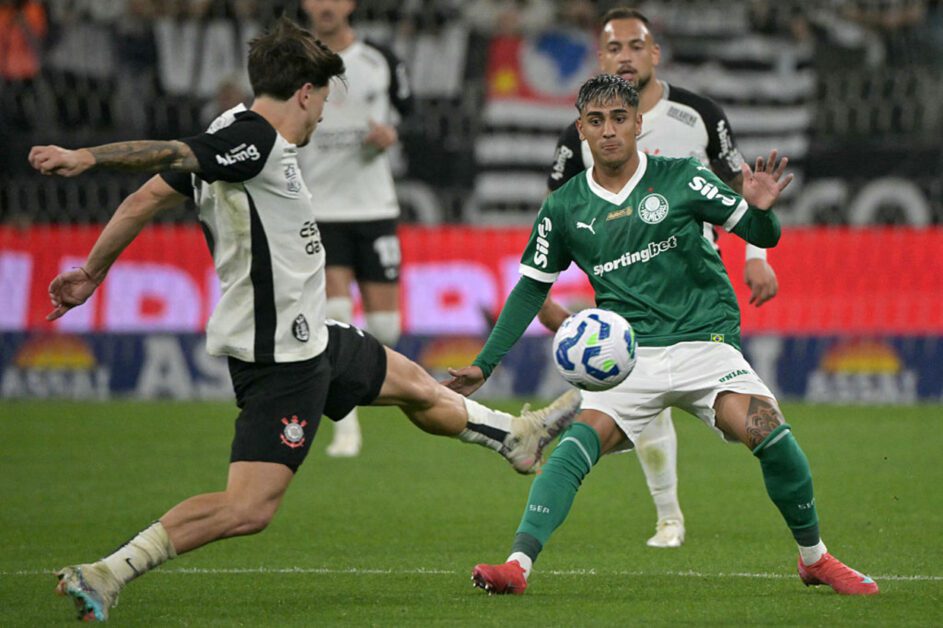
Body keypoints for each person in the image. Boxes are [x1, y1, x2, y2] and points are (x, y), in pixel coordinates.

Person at [30, 17, 580, 622]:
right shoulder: (254, 139)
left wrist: (92, 273)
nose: (323, 115)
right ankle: (108, 571)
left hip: (312, 335)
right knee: (248, 508)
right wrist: (85, 157)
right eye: (323, 101)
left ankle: (514, 438)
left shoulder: (235, 137)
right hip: (279, 359)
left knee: (416, 386)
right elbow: (171, 154)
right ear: (305, 93)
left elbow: (146, 200)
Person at [447, 74, 879, 597]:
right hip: (629, 358)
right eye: (596, 121)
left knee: (774, 436)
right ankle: (517, 566)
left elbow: (762, 235)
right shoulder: (563, 207)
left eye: (619, 119)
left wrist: (764, 211)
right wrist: (486, 364)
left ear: (638, 124)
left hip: (705, 343)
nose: (609, 131)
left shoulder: (683, 177)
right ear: (581, 129)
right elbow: (529, 290)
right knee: (571, 448)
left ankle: (814, 559)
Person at [541, 7, 781, 549]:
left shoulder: (699, 116)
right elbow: (560, 215)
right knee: (640, 400)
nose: (624, 56)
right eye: (612, 48)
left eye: (634, 45)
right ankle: (668, 516)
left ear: (655, 53)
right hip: (627, 287)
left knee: (744, 416)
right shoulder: (577, 134)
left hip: (696, 284)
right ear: (599, 59)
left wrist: (755, 258)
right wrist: (546, 288)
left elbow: (746, 191)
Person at [297, 0, 412, 458]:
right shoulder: (294, 59)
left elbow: (410, 111)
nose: (326, 5)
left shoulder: (378, 59)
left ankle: (369, 395)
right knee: (337, 315)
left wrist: (394, 133)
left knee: (387, 326)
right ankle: (346, 428)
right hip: (320, 207)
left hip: (374, 203)